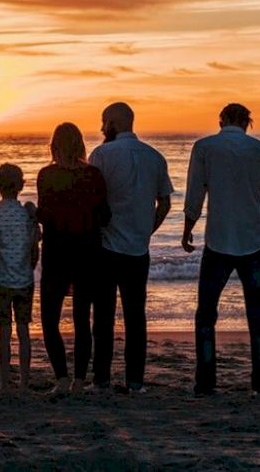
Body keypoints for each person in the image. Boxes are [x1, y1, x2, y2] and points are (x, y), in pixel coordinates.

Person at [182, 102, 260, 396]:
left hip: (217, 241)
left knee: (206, 314)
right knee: (259, 315)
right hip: (253, 241)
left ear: (221, 120)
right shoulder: (259, 150)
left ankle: (205, 381)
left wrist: (187, 229)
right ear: (247, 122)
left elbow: (195, 193)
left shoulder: (204, 148)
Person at [87, 101, 173, 393]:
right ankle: (135, 381)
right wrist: (147, 230)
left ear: (113, 123)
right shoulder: (155, 157)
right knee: (136, 316)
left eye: (103, 121)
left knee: (103, 317)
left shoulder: (101, 155)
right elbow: (165, 203)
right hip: (138, 247)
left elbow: (92, 200)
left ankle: (101, 379)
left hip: (107, 246)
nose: (101, 128)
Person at [37, 122, 110, 396]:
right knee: (82, 319)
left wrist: (35, 214)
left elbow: (45, 215)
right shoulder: (93, 175)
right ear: (80, 145)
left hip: (57, 253)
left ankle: (62, 379)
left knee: (50, 319)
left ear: (54, 146)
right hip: (89, 253)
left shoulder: (46, 175)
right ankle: (80, 380)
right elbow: (105, 216)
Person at [0, 163, 38, 395]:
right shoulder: (27, 216)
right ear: (21, 185)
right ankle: (25, 383)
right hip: (25, 280)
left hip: (1, 280)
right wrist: (30, 267)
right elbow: (35, 249)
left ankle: (5, 384)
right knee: (24, 331)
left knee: (4, 333)